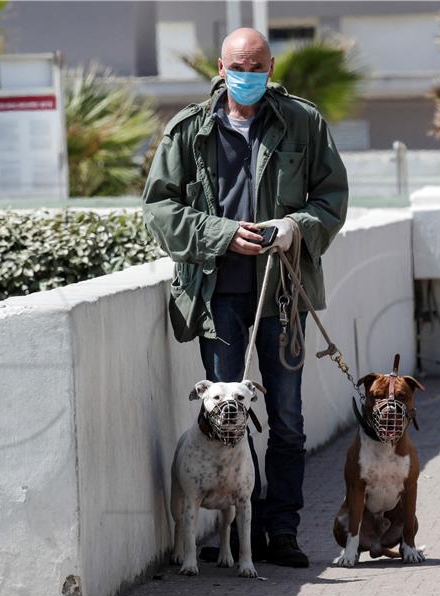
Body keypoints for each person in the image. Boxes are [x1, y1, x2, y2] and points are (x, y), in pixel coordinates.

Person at [142, 27, 348, 568]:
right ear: (220, 66)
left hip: (282, 295)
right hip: (217, 295)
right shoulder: (187, 129)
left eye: (256, 66)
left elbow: (332, 198)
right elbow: (158, 211)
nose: (247, 76)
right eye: (239, 66)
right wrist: (221, 233)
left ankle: (281, 531)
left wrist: (294, 226)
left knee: (287, 417)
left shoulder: (304, 121)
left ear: (272, 67)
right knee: (227, 416)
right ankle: (243, 534)